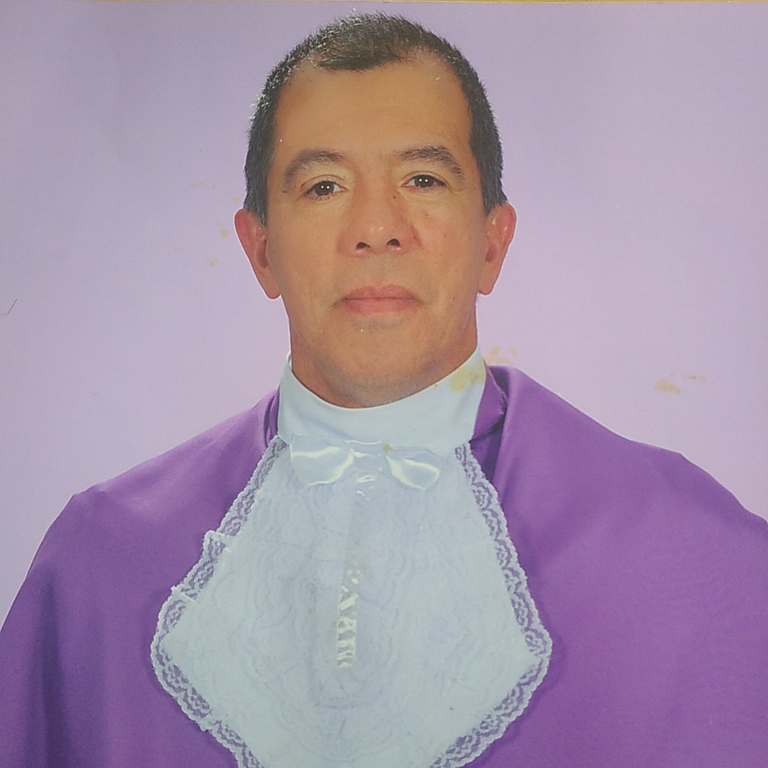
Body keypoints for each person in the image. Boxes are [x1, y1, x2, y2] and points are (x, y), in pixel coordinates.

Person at [1, 13, 767, 768]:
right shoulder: (101, 565)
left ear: (493, 241)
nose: (376, 228)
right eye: (325, 185)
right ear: (260, 250)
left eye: (423, 179)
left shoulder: (694, 559)